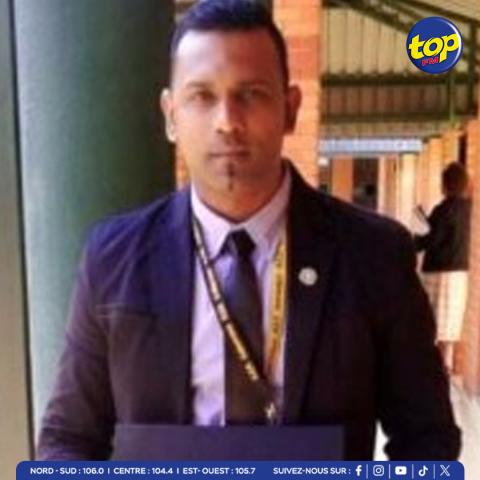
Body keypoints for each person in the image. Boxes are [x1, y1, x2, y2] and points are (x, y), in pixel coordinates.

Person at [37, 0, 460, 460]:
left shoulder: (374, 255)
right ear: (171, 115)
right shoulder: (113, 258)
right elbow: (69, 438)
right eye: (202, 96)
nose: (227, 122)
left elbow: (427, 438)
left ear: (290, 109)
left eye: (252, 94)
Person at [415, 162, 472, 371]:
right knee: (451, 323)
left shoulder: (443, 210)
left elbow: (432, 239)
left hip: (438, 272)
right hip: (460, 273)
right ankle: (446, 362)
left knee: (435, 321)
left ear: (446, 184)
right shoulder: (470, 210)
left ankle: (438, 366)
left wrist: (414, 240)